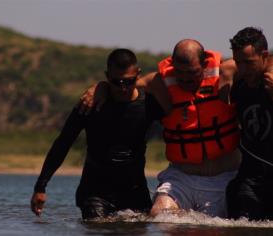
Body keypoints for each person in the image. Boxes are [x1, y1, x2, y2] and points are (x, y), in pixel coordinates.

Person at [80, 39, 242, 218]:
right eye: (179, 72)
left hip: (224, 176)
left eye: (192, 73)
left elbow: (263, 63)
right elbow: (123, 85)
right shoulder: (158, 83)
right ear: (172, 65)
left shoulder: (228, 72)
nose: (185, 78)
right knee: (159, 215)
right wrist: (100, 86)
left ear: (204, 64)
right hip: (181, 177)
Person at [30, 48, 165, 220]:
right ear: (107, 76)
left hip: (135, 192)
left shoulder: (149, 104)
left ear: (138, 74)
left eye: (129, 82)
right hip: (95, 193)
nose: (123, 88)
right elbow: (63, 143)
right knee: (98, 227)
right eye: (117, 82)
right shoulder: (89, 104)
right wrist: (41, 187)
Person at [226, 27, 273, 221]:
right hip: (251, 178)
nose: (243, 69)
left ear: (264, 56)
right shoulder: (238, 84)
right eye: (238, 62)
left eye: (248, 63)